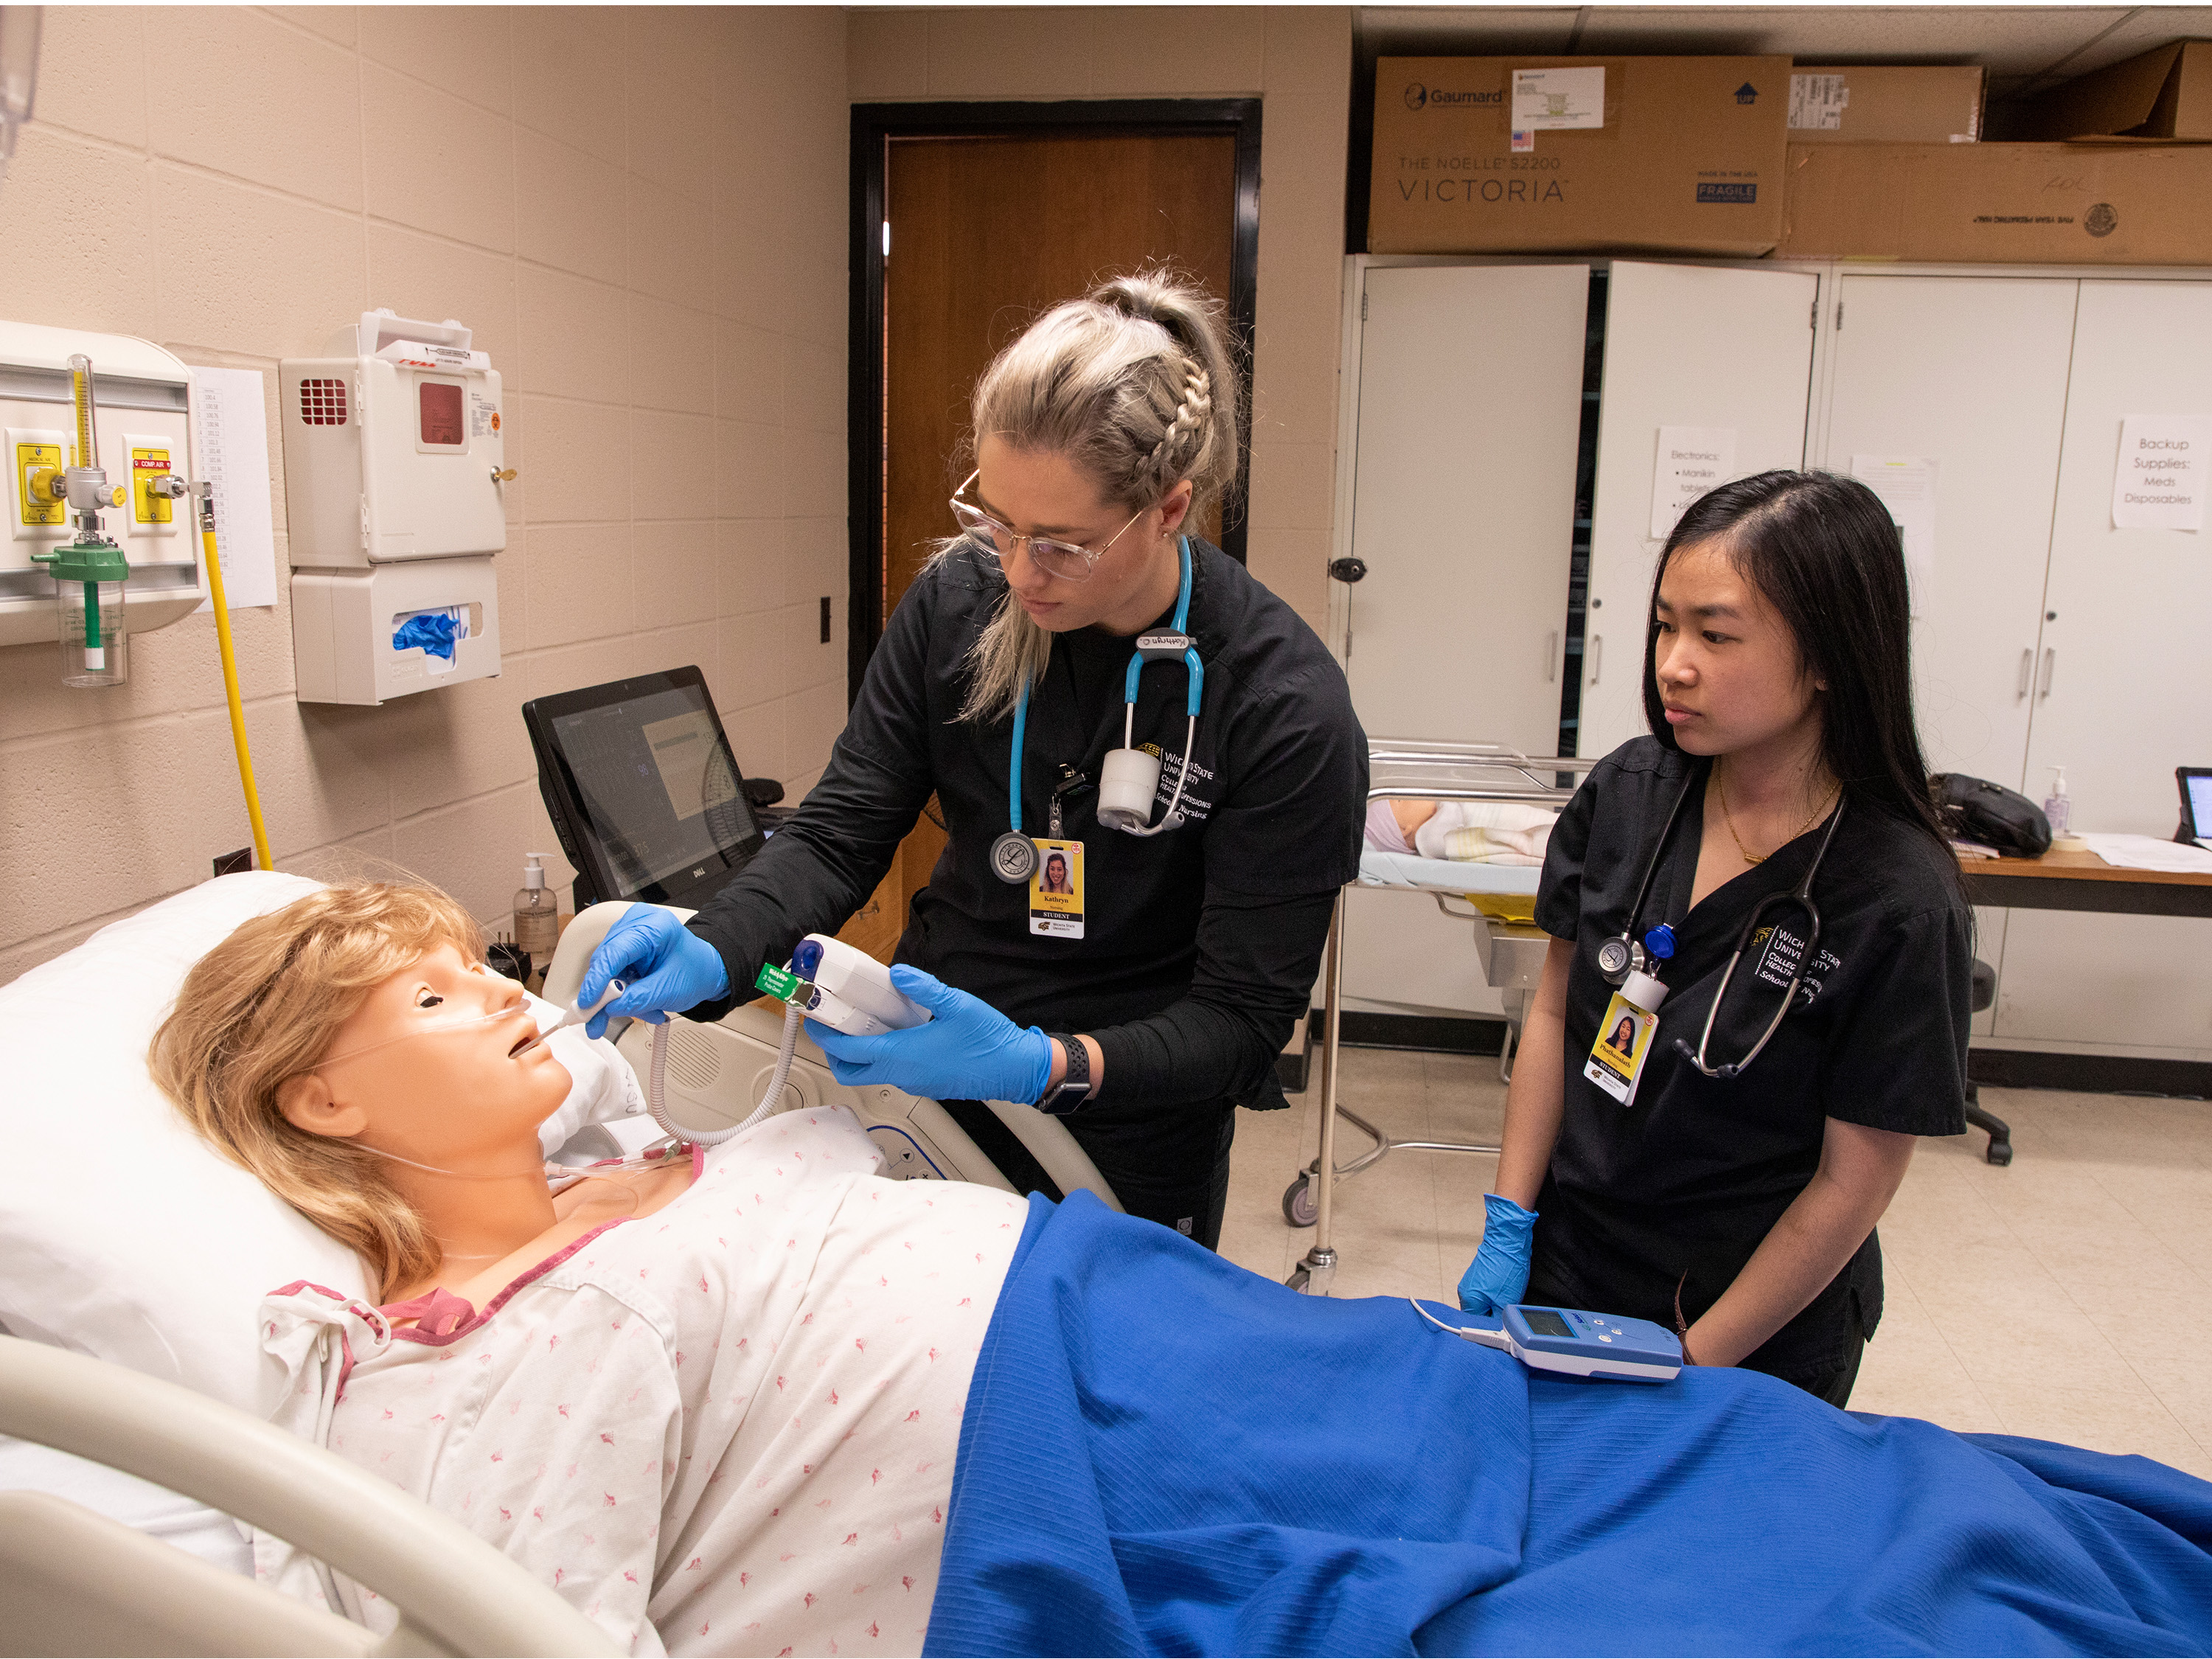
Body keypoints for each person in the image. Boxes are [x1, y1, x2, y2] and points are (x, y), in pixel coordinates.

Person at [150, 883, 2212, 1659]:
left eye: (478, 965)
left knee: (1712, 1448)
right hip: (1083, 1459)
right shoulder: (472, 1345)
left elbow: (1236, 1019)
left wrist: (942, 1034)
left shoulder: (637, 1155)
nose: (506, 994)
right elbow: (524, 1617)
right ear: (320, 1109)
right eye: (429, 998)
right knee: (1747, 1583)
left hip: (1159, 1326)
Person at [572, 269, 1367, 1249]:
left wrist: (1038, 1065)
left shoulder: (1281, 706)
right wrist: (717, 940)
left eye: (1064, 544)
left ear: (1169, 507)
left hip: (1129, 1123)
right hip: (920, 1084)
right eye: (999, 520)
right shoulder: (961, 600)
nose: (1020, 571)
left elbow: (1241, 1023)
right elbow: (840, 826)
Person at [1456, 470, 1972, 1407]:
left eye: (1716, 634)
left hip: (1753, 1318)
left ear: (1828, 657)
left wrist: (1698, 1362)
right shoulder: (1629, 793)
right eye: (1665, 625)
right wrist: (1511, 1219)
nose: (1673, 663)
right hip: (1572, 1265)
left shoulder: (1896, 896)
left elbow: (1853, 1184)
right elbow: (1553, 1009)